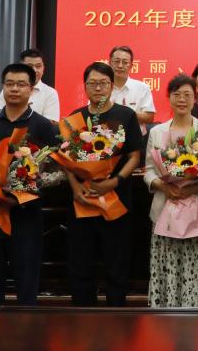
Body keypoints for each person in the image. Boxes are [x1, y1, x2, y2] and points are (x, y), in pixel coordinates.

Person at [0, 63, 58, 305]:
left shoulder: (43, 125)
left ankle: (26, 324)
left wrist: (25, 191)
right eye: (9, 84)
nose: (14, 89)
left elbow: (55, 168)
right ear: (3, 87)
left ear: (31, 89)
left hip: (26, 212)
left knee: (27, 277)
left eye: (20, 84)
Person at [64, 61, 143, 306]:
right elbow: (66, 159)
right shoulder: (75, 118)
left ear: (111, 86)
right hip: (83, 199)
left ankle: (116, 315)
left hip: (116, 198)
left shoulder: (126, 115)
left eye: (103, 83)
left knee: (116, 262)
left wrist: (114, 181)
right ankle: (82, 315)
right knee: (81, 263)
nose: (98, 88)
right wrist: (76, 187)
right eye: (92, 83)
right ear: (85, 86)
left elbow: (134, 156)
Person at [143, 74, 198, 308]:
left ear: (195, 98)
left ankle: (196, 311)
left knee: (194, 265)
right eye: (177, 94)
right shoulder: (157, 132)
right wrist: (165, 187)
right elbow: (148, 171)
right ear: (169, 97)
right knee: (166, 266)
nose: (182, 99)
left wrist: (191, 187)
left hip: (196, 210)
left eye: (187, 94)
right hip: (164, 209)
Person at [0, 48, 60, 121]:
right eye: (30, 66)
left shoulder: (50, 93)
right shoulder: (10, 90)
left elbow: (50, 124)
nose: (34, 70)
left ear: (43, 68)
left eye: (38, 66)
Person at [108, 45, 156, 126]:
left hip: (135, 133)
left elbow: (150, 117)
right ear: (110, 63)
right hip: (107, 133)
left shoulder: (142, 88)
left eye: (125, 62)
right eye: (116, 61)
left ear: (131, 66)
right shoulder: (102, 88)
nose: (120, 66)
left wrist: (126, 113)